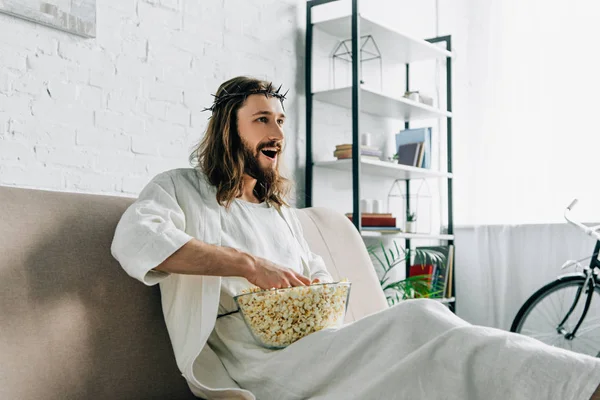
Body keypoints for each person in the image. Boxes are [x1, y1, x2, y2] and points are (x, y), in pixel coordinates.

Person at [111, 76, 600, 400]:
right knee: (420, 319)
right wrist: (248, 265)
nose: (277, 131)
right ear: (227, 129)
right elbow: (136, 240)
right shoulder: (180, 188)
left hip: (318, 342)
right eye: (262, 119)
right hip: (259, 363)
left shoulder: (279, 211)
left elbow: (315, 274)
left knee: (430, 331)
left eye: (280, 121)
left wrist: (314, 291)